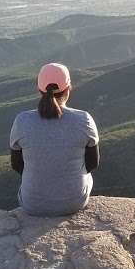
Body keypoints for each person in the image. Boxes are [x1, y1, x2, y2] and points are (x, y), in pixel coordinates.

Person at [9, 63, 100, 216]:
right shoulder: (84, 119)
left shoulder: (22, 121)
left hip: (32, 204)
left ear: (39, 89)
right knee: (86, 176)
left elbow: (17, 165)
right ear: (68, 88)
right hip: (74, 202)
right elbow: (92, 163)